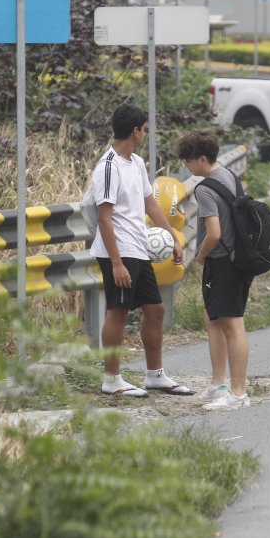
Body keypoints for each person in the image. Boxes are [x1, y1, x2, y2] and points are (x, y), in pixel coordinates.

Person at [90, 104, 192, 397]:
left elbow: (150, 204)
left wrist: (172, 237)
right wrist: (117, 262)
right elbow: (104, 218)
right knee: (118, 311)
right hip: (118, 251)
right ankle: (111, 380)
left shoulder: (136, 162)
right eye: (144, 130)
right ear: (135, 131)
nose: (145, 134)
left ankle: (155, 375)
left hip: (138, 247)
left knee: (155, 309)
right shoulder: (108, 167)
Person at [176, 130, 253, 411]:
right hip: (238, 259)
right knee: (213, 318)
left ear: (203, 159)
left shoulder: (205, 188)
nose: (186, 166)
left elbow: (214, 233)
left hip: (222, 261)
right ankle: (219, 382)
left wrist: (200, 256)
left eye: (188, 160)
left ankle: (238, 393)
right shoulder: (230, 176)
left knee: (233, 325)